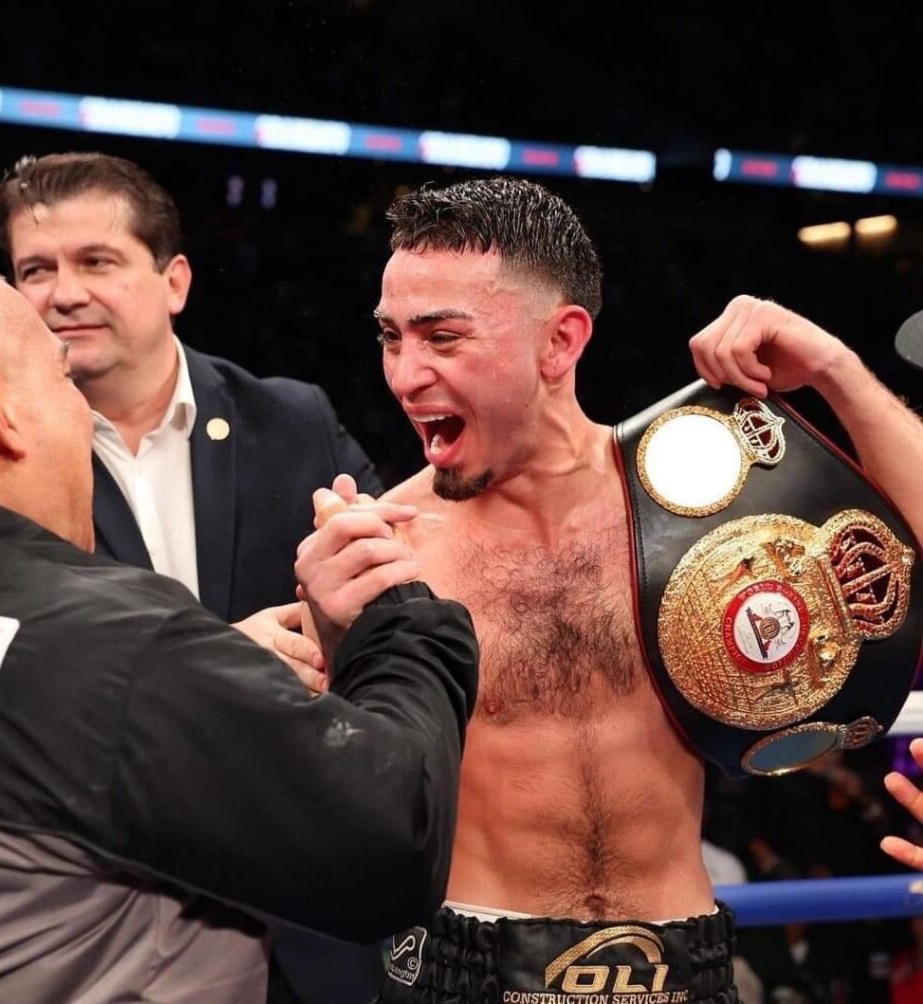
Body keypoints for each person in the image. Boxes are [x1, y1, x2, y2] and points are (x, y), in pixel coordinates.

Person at [359, 176, 923, 1003]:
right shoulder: (382, 548)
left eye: (442, 337)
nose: (406, 374)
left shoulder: (691, 494)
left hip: (682, 966)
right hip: (468, 968)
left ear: (561, 342)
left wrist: (836, 370)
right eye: (390, 338)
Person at [0, 252, 478, 1003]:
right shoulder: (115, 646)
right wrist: (401, 621)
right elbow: (394, 844)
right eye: (65, 381)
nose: (84, 413)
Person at [0, 151, 387, 998]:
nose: (62, 293)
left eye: (96, 261)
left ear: (174, 280)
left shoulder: (290, 420)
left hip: (305, 924)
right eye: (35, 270)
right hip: (99, 932)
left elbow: (403, 594)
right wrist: (214, 674)